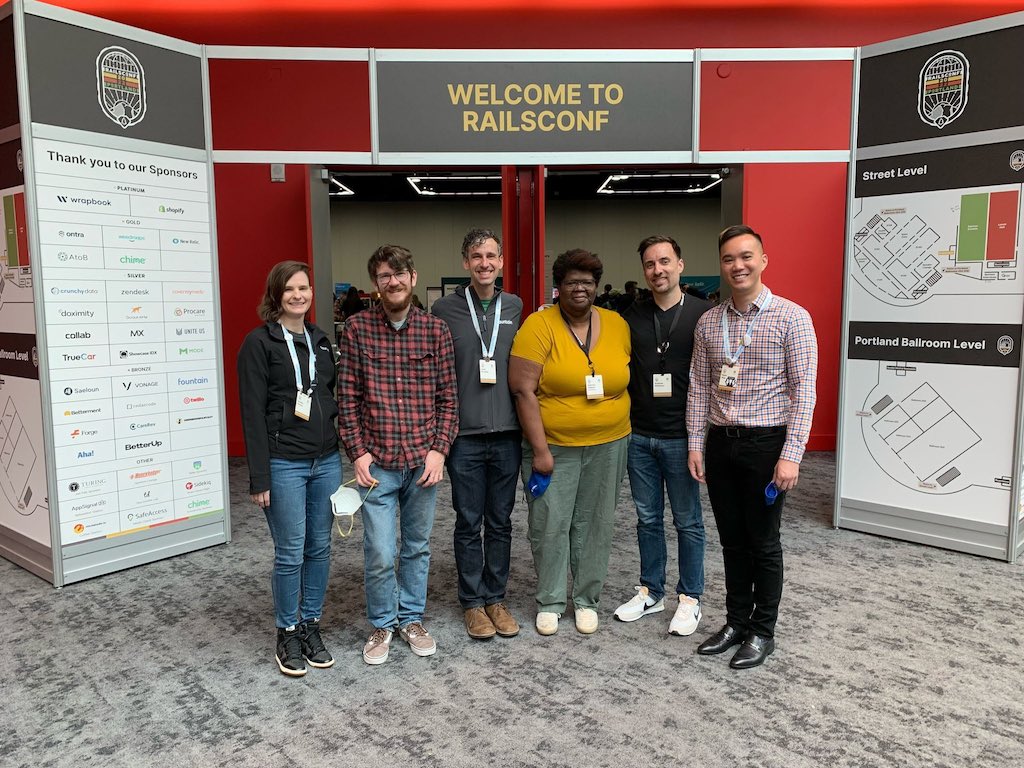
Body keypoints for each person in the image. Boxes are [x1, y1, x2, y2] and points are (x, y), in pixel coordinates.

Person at [687, 225, 817, 669]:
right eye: (728, 259)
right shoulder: (710, 320)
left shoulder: (791, 317)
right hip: (721, 443)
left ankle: (763, 631)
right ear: (721, 266)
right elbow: (699, 388)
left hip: (767, 444)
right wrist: (695, 443)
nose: (737, 266)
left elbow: (805, 391)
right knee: (731, 541)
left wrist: (791, 454)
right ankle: (736, 622)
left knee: (763, 542)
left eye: (746, 257)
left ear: (763, 260)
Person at [337, 244, 459, 665]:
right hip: (378, 465)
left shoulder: (435, 331)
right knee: (380, 551)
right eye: (385, 275)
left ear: (412, 276)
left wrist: (439, 450)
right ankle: (382, 623)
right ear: (375, 284)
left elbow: (449, 399)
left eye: (400, 273)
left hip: (422, 461)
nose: (394, 281)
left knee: (417, 548)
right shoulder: (356, 329)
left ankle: (411, 618)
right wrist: (357, 452)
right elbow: (347, 398)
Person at [509, 248, 631, 636]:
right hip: (553, 447)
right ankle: (549, 600)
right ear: (558, 287)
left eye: (588, 282)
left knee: (596, 524)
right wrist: (540, 451)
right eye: (572, 282)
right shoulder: (538, 325)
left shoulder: (616, 324)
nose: (581, 288)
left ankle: (586, 600)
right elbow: (523, 391)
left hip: (610, 443)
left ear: (597, 287)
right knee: (549, 523)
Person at [237, 260, 343, 678]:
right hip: (284, 465)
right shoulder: (259, 343)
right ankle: (287, 630)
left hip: (326, 462)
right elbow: (251, 413)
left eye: (305, 288)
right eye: (290, 289)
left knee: (320, 547)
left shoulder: (320, 340)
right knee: (290, 551)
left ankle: (310, 624)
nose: (299, 295)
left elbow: (329, 396)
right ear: (276, 295)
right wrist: (259, 477)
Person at [614, 235, 712, 636]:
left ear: (680, 265)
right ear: (644, 271)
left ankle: (690, 598)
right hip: (639, 436)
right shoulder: (629, 316)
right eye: (651, 264)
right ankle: (651, 591)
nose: (658, 270)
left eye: (665, 261)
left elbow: (708, 381)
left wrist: (698, 440)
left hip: (681, 437)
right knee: (647, 519)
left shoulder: (704, 315)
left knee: (688, 521)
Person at [432, 228, 523, 640]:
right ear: (465, 262)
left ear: (501, 261)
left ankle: (496, 597)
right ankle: (472, 602)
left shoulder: (517, 307)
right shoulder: (444, 310)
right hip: (463, 436)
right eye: (476, 256)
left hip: (507, 432)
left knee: (500, 521)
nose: (484, 263)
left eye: (491, 255)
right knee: (469, 521)